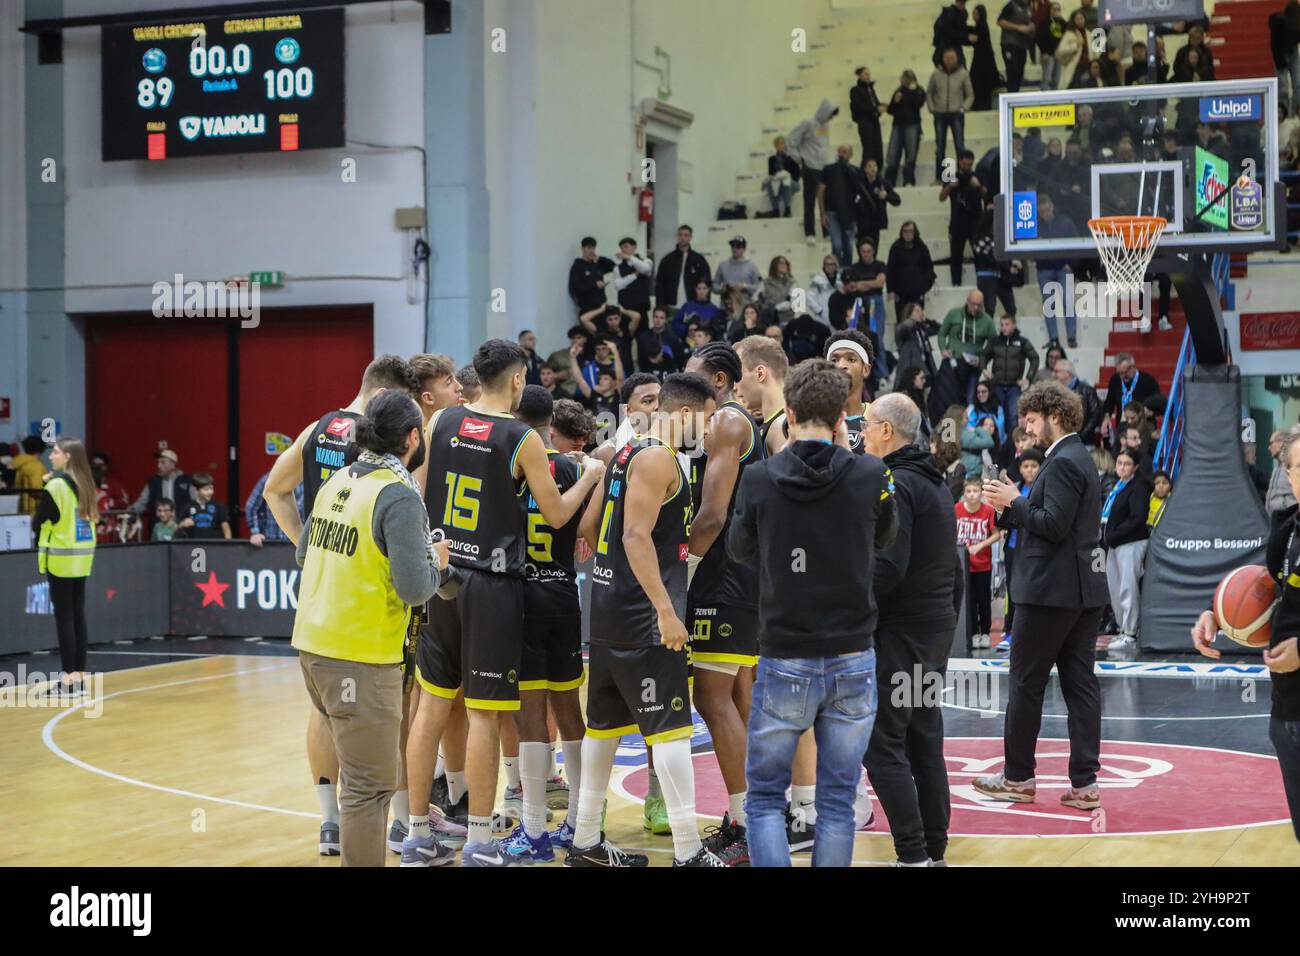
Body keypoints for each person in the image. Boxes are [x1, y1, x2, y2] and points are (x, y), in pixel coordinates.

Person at [402, 340, 605, 868]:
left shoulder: (442, 419)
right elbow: (558, 515)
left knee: (429, 708)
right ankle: (478, 842)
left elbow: (421, 489)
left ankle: (417, 834)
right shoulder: (520, 438)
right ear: (517, 381)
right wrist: (589, 473)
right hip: (492, 584)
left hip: (442, 569)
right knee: (487, 713)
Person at [728, 359, 897, 867]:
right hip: (852, 653)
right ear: (844, 415)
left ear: (791, 411)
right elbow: (886, 537)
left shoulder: (759, 477)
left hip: (785, 654)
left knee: (763, 799)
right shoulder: (871, 472)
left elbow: (739, 549)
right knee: (838, 802)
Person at [264, 354, 422, 857]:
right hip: (361, 642)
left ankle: (326, 821)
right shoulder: (395, 484)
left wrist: (322, 561)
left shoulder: (326, 452)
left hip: (314, 634)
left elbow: (281, 502)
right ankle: (393, 826)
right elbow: (416, 585)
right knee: (370, 781)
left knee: (331, 727)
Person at [567, 372, 723, 868]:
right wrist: (663, 608)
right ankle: (687, 850)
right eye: (707, 416)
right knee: (672, 731)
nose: (711, 426)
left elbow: (590, 527)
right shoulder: (657, 458)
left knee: (604, 729)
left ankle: (586, 841)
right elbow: (634, 536)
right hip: (644, 617)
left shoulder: (624, 453)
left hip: (608, 611)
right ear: (683, 414)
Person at [292, 390, 450, 867]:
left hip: (312, 647)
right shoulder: (396, 494)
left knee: (362, 787)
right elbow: (415, 587)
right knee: (367, 791)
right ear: (411, 438)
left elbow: (304, 554)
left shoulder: (338, 479)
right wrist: (437, 561)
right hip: (358, 657)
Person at [975, 380, 1108, 809]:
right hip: (1080, 591)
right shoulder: (1074, 458)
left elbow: (1052, 525)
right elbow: (1048, 520)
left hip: (1052, 592)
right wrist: (1009, 506)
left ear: (1055, 416)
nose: (1028, 430)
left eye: (1032, 420)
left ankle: (1018, 778)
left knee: (1027, 684)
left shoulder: (1066, 461)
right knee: (1080, 684)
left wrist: (1015, 502)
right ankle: (1084, 785)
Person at [498, 386, 595, 862]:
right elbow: (587, 532)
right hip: (564, 593)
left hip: (523, 595)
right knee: (570, 710)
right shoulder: (578, 468)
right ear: (551, 424)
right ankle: (579, 821)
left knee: (530, 717)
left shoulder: (512, 463)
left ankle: (534, 829)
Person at [861, 392, 959, 864]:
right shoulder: (934, 482)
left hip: (901, 630)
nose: (860, 434)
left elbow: (889, 566)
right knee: (924, 737)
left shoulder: (895, 482)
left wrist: (850, 608)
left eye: (865, 425)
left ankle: (913, 853)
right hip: (935, 628)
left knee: (881, 744)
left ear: (886, 430)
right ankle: (933, 851)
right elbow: (953, 570)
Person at [1192, 429, 1300, 841]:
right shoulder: (1286, 530)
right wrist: (1217, 615)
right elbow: (1267, 588)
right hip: (1288, 708)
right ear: (1289, 476)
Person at [683, 342, 766, 865]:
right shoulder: (732, 424)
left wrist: (682, 569)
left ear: (718, 379)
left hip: (723, 578)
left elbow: (712, 516)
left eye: (691, 380)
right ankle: (753, 815)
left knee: (710, 699)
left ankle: (745, 824)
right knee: (736, 699)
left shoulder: (728, 424)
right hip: (744, 575)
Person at [34, 438, 98, 697]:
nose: (52, 457)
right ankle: (79, 678)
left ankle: (68, 682)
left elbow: (38, 521)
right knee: (78, 616)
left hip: (60, 559)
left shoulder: (57, 486)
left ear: (68, 456)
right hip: (82, 558)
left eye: (56, 452)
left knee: (65, 619)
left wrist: (47, 487)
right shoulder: (87, 484)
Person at [1101, 448, 1150, 652]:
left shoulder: (1138, 487)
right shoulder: (1118, 485)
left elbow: (1137, 518)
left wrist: (1114, 534)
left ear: (1135, 467)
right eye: (1119, 463)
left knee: (1127, 588)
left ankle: (1130, 632)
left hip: (1130, 543)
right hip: (1113, 544)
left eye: (1127, 464)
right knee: (1114, 588)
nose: (1122, 467)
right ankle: (1122, 629)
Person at [1000, 446, 1044, 652]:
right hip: (1013, 546)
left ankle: (1033, 632)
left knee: (1033, 588)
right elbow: (1003, 520)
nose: (1030, 470)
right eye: (1025, 466)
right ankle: (1010, 631)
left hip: (1034, 548)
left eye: (1034, 466)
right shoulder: (1014, 487)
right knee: (1012, 588)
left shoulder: (1043, 489)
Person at [957, 476, 1001, 649]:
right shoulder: (956, 509)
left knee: (983, 600)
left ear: (981, 493)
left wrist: (980, 545)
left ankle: (985, 633)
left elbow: (997, 534)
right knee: (969, 601)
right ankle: (973, 633)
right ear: (964, 493)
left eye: (975, 491)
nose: (972, 495)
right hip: (963, 565)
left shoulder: (988, 511)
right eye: (969, 491)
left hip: (983, 564)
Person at [789, 100, 839, 245]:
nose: (831, 118)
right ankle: (809, 232)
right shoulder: (808, 123)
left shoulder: (826, 126)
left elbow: (822, 146)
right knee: (809, 201)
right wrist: (799, 158)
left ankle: (826, 231)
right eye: (830, 114)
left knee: (825, 200)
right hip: (810, 167)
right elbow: (791, 140)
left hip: (823, 167)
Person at [1033, 193, 1079, 348]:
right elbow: (1028, 249)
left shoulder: (1066, 223)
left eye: (1046, 210)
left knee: (1068, 301)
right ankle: (1054, 339)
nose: (1045, 214)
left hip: (1063, 268)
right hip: (1044, 269)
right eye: (1042, 212)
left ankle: (1071, 337)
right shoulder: (1035, 226)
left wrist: (1071, 265)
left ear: (1052, 207)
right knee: (1049, 305)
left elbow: (1077, 245)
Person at [735, 335, 790, 457]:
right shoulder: (774, 424)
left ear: (760, 374)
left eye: (737, 376)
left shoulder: (781, 427)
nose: (734, 386)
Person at [939, 290, 996, 404]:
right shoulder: (954, 314)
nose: (975, 308)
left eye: (979, 305)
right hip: (953, 362)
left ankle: (968, 420)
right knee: (950, 398)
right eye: (973, 304)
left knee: (970, 399)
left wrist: (982, 360)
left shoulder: (987, 321)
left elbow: (994, 344)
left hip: (973, 366)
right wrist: (943, 349)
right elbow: (942, 333)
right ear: (967, 301)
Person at [982, 314, 1037, 432]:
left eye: (1007, 324)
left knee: (1013, 416)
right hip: (997, 385)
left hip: (1014, 386)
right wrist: (984, 369)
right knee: (998, 416)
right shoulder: (994, 341)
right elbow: (983, 356)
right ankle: (998, 445)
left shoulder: (1022, 342)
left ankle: (1013, 446)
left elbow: (1034, 358)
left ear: (1014, 325)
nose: (1004, 328)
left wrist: (1028, 377)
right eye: (1001, 325)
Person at [928, 49, 974, 185]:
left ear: (956, 58)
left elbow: (970, 94)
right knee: (940, 147)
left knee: (959, 146)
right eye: (947, 58)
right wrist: (932, 108)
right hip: (940, 114)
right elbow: (929, 92)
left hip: (956, 114)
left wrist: (964, 108)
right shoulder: (936, 74)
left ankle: (962, 175)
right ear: (943, 58)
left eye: (952, 58)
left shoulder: (963, 74)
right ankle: (939, 177)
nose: (949, 60)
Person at [940, 149, 985, 287]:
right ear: (960, 162)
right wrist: (949, 186)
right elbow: (941, 197)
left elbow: (987, 196)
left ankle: (982, 283)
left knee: (980, 255)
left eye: (970, 164)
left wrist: (979, 186)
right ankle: (956, 283)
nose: (967, 166)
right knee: (956, 256)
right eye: (965, 164)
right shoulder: (951, 176)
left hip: (976, 221)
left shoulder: (977, 175)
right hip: (958, 222)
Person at [827, 331, 876, 452]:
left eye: (851, 359)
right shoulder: (816, 419)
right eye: (834, 360)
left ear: (865, 369)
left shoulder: (878, 417)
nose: (841, 365)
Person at [819, 144, 864, 269]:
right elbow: (821, 191)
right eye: (840, 151)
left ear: (851, 154)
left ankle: (847, 273)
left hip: (850, 214)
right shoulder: (828, 169)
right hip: (831, 212)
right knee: (837, 245)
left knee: (849, 246)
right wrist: (823, 213)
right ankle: (836, 272)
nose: (842, 154)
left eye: (845, 152)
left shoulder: (855, 171)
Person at [1101, 353, 1161, 442]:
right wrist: (1106, 418)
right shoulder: (1115, 380)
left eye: (1125, 372)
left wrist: (1146, 412)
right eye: (1119, 373)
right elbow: (1109, 402)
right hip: (1122, 428)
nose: (1122, 376)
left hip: (1144, 429)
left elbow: (1158, 406)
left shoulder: (1148, 381)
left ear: (1133, 367)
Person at [653, 224, 711, 311]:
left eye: (686, 235)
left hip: (693, 304)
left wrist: (705, 303)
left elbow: (707, 282)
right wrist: (660, 306)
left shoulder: (699, 260)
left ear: (690, 237)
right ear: (677, 237)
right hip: (671, 305)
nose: (683, 238)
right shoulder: (667, 260)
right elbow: (660, 285)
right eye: (680, 235)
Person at [885, 70, 927, 187]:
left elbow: (918, 103)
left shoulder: (919, 90)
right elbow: (890, 110)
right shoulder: (898, 91)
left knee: (911, 155)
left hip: (912, 125)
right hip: (898, 125)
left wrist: (913, 91)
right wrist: (895, 101)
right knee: (892, 155)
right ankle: (889, 181)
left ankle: (908, 180)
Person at [886, 223, 936, 324]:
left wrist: (924, 287)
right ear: (901, 232)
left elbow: (929, 269)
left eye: (910, 231)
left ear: (915, 232)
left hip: (917, 294)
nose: (907, 234)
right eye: (905, 231)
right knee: (901, 322)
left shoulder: (922, 248)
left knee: (918, 322)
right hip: (901, 294)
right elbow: (890, 270)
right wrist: (890, 290)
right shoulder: (895, 248)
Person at [130, 449, 193, 524]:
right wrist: (130, 512)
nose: (159, 466)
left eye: (163, 462)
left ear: (173, 464)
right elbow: (142, 502)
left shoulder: (186, 481)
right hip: (159, 527)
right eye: (158, 462)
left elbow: (196, 502)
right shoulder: (153, 482)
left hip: (182, 527)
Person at [245, 470, 303, 546]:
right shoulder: (269, 479)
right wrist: (255, 532)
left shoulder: (304, 483)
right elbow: (251, 506)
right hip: (269, 542)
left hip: (295, 543)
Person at [568, 237, 616, 315]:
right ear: (582, 249)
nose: (591, 251)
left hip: (602, 306)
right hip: (587, 308)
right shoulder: (577, 266)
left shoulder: (597, 265)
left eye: (593, 248)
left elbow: (613, 267)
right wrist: (594, 285)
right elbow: (574, 288)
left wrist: (600, 258)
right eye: (589, 248)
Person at [175, 473, 231, 539]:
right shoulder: (188, 507)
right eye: (206, 489)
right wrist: (183, 524)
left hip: (214, 546)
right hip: (194, 547)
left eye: (211, 488)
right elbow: (176, 527)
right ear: (196, 490)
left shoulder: (219, 506)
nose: (210, 492)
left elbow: (225, 527)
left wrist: (228, 544)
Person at [713, 236, 762, 310]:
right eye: (733, 246)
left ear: (744, 249)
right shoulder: (723, 265)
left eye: (738, 246)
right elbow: (714, 285)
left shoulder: (752, 266)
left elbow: (759, 288)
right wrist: (722, 289)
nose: (734, 249)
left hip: (745, 309)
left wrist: (744, 286)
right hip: (726, 308)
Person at [850, 66, 884, 167]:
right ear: (859, 76)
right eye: (865, 74)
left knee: (877, 148)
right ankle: (866, 172)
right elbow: (859, 106)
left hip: (874, 120)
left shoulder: (870, 88)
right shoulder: (856, 90)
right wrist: (875, 109)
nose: (868, 76)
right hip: (865, 122)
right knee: (869, 148)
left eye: (869, 74)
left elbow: (874, 102)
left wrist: (879, 107)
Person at [895, 301, 939, 380]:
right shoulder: (905, 329)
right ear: (909, 314)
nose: (921, 313)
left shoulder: (921, 329)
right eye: (917, 311)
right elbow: (904, 327)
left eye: (921, 311)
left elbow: (939, 329)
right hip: (911, 368)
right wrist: (912, 320)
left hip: (926, 367)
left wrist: (927, 320)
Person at [612, 237, 653, 321]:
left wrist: (629, 258)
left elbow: (646, 269)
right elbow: (618, 285)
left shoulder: (646, 261)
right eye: (621, 247)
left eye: (626, 247)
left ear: (634, 247)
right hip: (625, 310)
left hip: (642, 308)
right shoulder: (617, 267)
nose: (623, 250)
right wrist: (634, 275)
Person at [998, 0, 1035, 92]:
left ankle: (1015, 94)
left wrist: (1031, 27)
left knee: (1020, 72)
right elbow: (1000, 22)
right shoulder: (1011, 5)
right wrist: (1018, 27)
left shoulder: (1028, 9)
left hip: (1022, 45)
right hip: (1009, 43)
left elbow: (1028, 23)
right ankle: (1010, 95)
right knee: (1012, 70)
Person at [968, 5, 999, 111]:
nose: (974, 16)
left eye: (976, 14)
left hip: (982, 60)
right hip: (983, 59)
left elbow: (976, 40)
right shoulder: (981, 26)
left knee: (979, 83)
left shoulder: (981, 26)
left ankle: (980, 105)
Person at [933, 0, 978, 66]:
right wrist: (967, 38)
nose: (963, 5)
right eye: (962, 3)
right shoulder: (949, 14)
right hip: (945, 49)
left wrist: (972, 31)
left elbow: (961, 29)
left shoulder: (962, 13)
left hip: (953, 48)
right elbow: (950, 34)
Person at [766, 136, 802, 217]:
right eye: (779, 144)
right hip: (777, 183)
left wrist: (786, 177)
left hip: (793, 184)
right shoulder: (771, 159)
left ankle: (787, 209)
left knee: (786, 181)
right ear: (775, 146)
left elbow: (797, 174)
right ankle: (775, 210)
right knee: (769, 184)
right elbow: (771, 173)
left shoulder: (792, 158)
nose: (782, 146)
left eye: (783, 143)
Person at [1268, 428, 1299, 515]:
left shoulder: (1292, 465)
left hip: (1287, 521)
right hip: (1274, 521)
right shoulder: (1277, 467)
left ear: (1281, 443)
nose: (1269, 447)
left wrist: (1283, 508)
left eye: (1271, 443)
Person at [1036, 1, 1067, 91]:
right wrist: (1043, 52)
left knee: (1056, 79)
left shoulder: (1062, 23)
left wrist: (1061, 19)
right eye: (1054, 9)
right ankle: (1044, 101)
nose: (1056, 11)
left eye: (1058, 9)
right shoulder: (1044, 23)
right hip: (1048, 54)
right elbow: (1039, 39)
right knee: (1047, 78)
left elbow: (1067, 32)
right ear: (1049, 10)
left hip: (1058, 54)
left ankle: (1054, 100)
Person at [808, 255, 841, 326]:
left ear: (835, 265)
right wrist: (819, 311)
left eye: (832, 264)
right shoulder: (817, 280)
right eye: (827, 264)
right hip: (822, 318)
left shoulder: (840, 279)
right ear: (824, 265)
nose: (829, 266)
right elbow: (809, 298)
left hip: (838, 317)